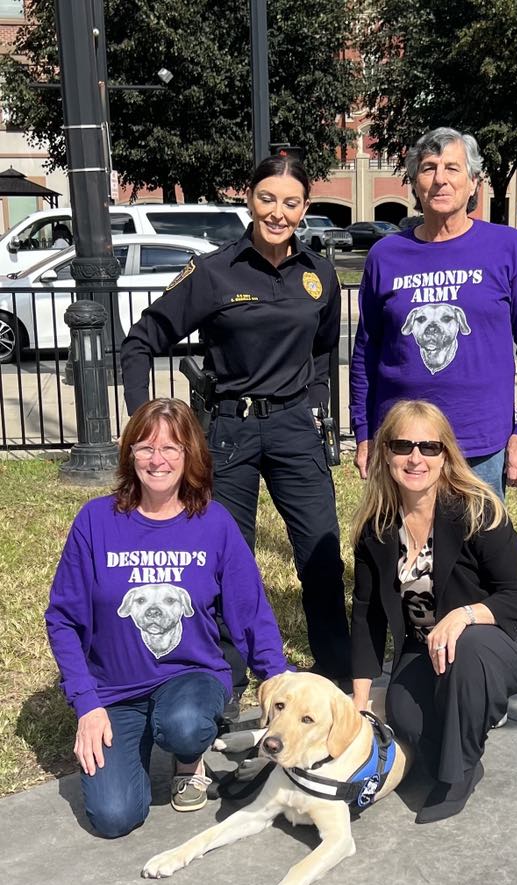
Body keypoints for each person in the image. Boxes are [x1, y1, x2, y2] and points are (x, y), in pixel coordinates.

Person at [120, 153, 351, 708]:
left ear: (305, 208)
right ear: (249, 199)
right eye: (267, 198)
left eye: (290, 202)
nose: (278, 212)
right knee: (226, 559)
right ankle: (225, 676)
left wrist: (317, 407)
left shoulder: (319, 275)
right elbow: (140, 341)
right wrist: (145, 424)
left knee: (320, 552)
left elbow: (323, 354)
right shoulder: (214, 271)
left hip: (297, 430)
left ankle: (338, 673)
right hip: (229, 431)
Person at [45, 398, 289, 838]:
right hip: (115, 691)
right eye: (145, 448)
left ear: (189, 455)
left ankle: (187, 760)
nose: (157, 460)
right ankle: (135, 739)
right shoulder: (95, 521)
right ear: (129, 454)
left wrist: (281, 685)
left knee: (183, 725)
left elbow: (249, 611)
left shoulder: (213, 523)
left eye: (171, 449)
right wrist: (87, 706)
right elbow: (63, 619)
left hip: (191, 677)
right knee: (114, 817)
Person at [350, 400, 517, 823]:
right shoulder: (376, 529)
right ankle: (465, 728)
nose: (416, 458)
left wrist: (464, 614)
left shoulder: (476, 510)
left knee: (470, 646)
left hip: (507, 638)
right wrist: (362, 702)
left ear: (447, 455)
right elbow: (366, 616)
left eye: (429, 447)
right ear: (385, 452)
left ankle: (459, 772)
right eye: (403, 445)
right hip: (428, 647)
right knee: (405, 714)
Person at [350, 127, 517, 500]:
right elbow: (366, 352)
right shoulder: (386, 255)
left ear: (474, 182)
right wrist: (364, 432)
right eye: (428, 168)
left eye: (452, 168)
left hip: (480, 443)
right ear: (414, 183)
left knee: (478, 552)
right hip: (403, 444)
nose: (440, 179)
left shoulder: (507, 248)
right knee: (406, 553)